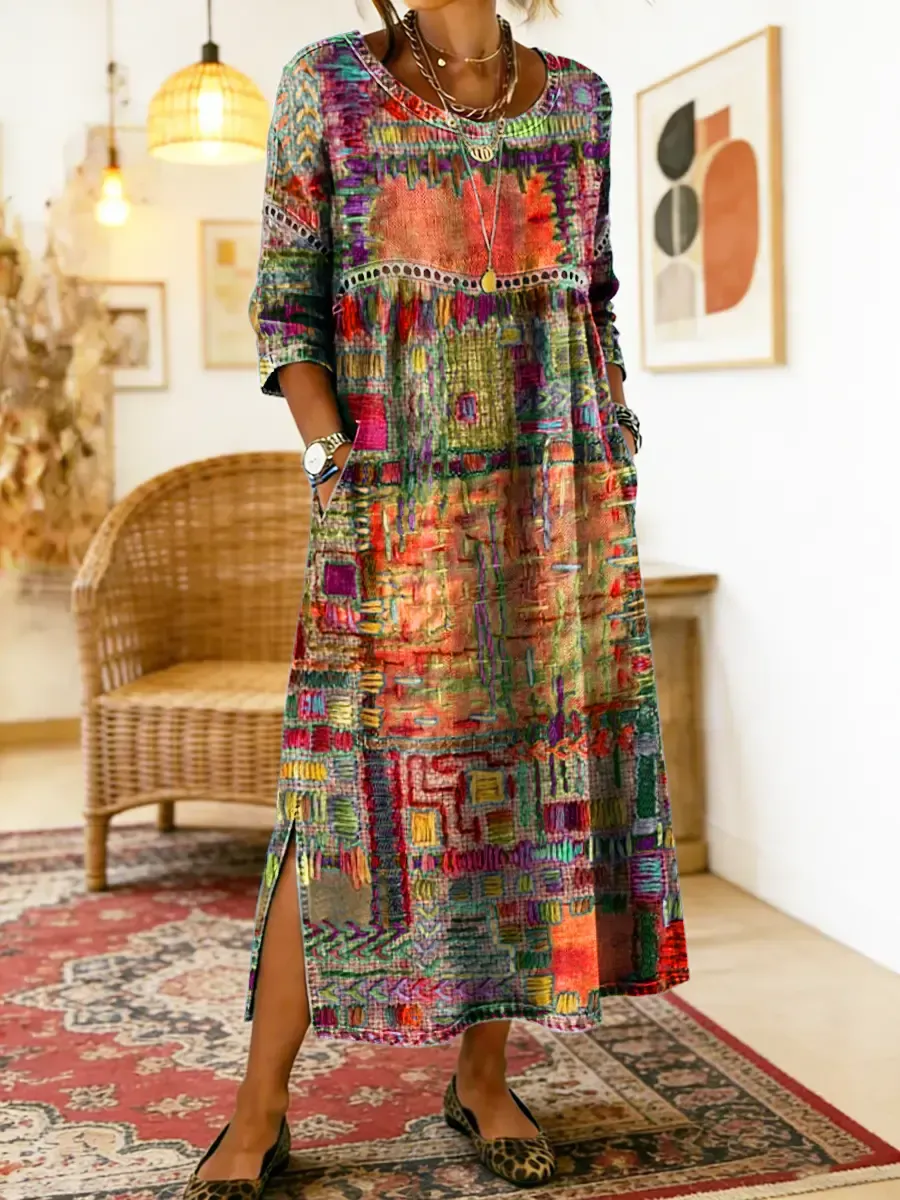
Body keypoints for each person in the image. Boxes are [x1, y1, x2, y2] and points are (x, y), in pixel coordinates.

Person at [182, 0, 688, 1194]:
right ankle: (258, 1110)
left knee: (522, 784)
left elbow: (594, 297)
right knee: (333, 791)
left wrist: (613, 435)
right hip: (386, 498)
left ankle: (483, 1080)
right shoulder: (327, 84)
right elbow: (286, 304)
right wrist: (332, 462)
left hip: (551, 502)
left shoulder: (578, 99)